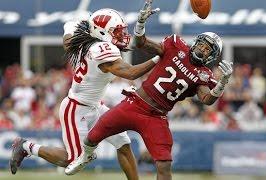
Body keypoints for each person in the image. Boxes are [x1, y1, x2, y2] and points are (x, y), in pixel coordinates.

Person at [65, 1, 233, 180]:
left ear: (212, 56)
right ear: (196, 42)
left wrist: (222, 83)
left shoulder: (204, 75)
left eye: (208, 49)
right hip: (134, 104)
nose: (202, 49)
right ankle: (84, 156)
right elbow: (141, 43)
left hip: (156, 116)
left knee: (164, 164)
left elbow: (207, 99)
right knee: (92, 138)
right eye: (202, 44)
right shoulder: (176, 46)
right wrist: (141, 24)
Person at [9, 8, 161, 180]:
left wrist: (70, 27)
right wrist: (159, 59)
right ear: (102, 32)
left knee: (124, 144)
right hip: (76, 109)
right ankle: (26, 146)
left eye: (122, 31)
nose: (122, 35)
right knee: (72, 159)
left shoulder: (86, 41)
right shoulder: (102, 50)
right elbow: (131, 73)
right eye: (117, 32)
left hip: (96, 106)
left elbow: (68, 39)